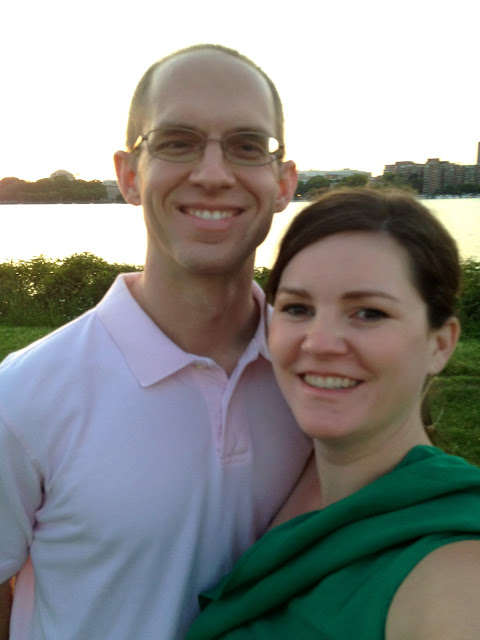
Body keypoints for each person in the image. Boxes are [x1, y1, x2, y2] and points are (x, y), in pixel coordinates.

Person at [0, 44, 314, 640]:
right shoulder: (23, 397)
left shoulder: (320, 377)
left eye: (248, 145)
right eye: (177, 141)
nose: (213, 174)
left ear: (283, 182)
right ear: (129, 175)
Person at [186, 187, 480, 640]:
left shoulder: (452, 569)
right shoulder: (277, 486)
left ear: (440, 344)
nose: (320, 343)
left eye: (369, 313)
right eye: (297, 308)